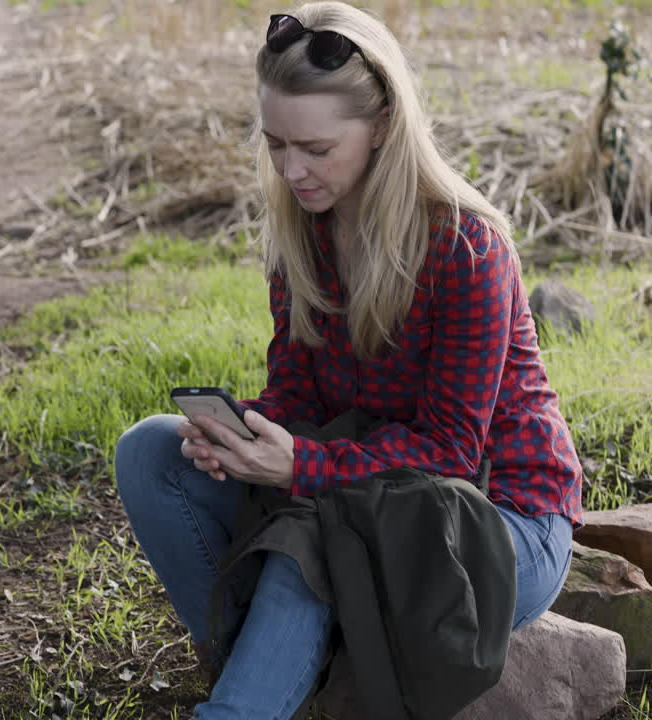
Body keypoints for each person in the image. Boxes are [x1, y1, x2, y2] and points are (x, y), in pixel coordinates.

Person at [113, 3, 583, 718]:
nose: (292, 169)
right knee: (151, 453)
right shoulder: (302, 235)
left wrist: (302, 466)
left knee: (315, 534)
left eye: (316, 148)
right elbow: (298, 398)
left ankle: (250, 702)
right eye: (275, 144)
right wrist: (243, 435)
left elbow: (452, 452)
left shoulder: (465, 247)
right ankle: (266, 676)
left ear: (384, 127)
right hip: (364, 494)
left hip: (494, 519)